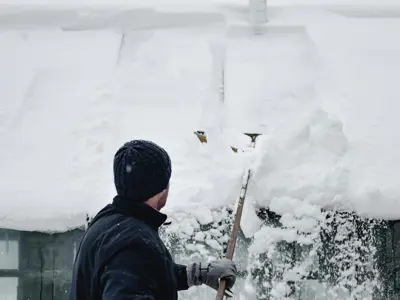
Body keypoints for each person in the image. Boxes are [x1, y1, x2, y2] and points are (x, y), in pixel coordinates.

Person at [69, 139, 237, 300]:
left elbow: (141, 275)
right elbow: (132, 271)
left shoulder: (107, 222)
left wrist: (196, 274)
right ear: (163, 189)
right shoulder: (133, 245)